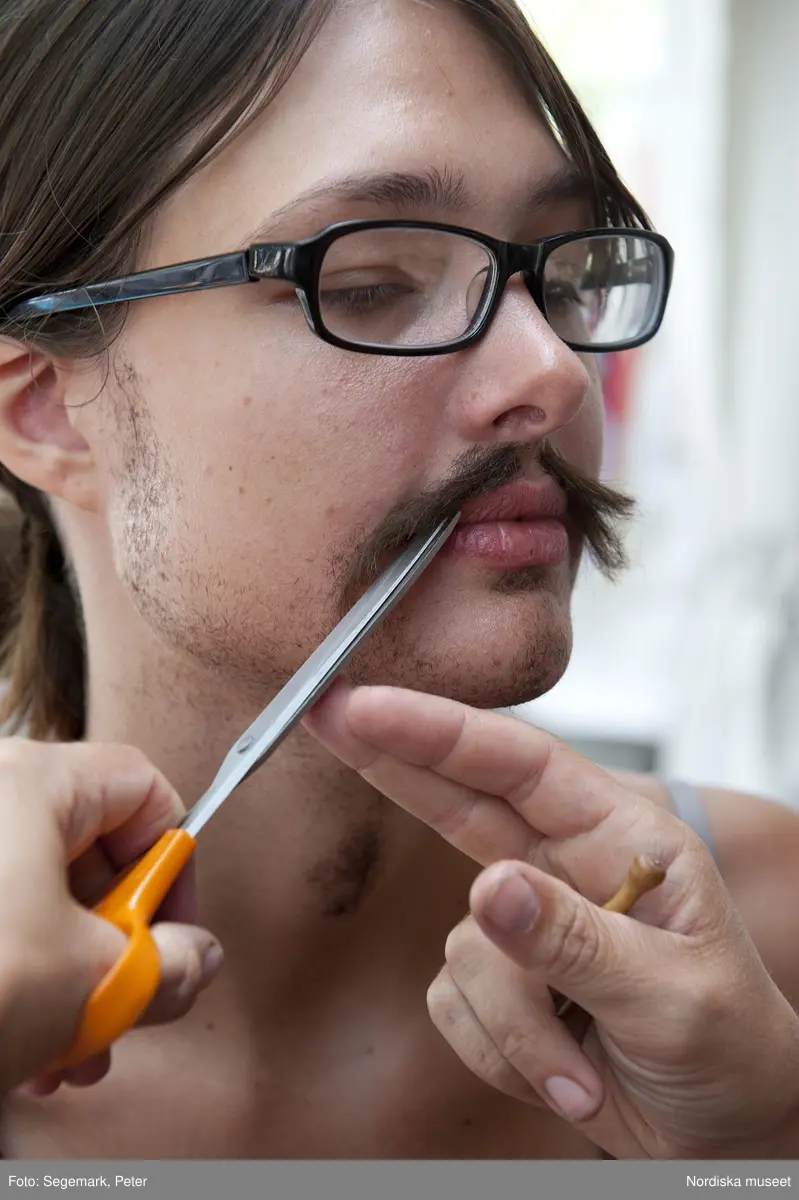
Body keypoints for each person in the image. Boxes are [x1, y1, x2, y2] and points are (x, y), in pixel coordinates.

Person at [0, 0, 798, 1161]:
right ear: (42, 410)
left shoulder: (765, 945)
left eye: (558, 272)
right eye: (370, 283)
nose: (553, 372)